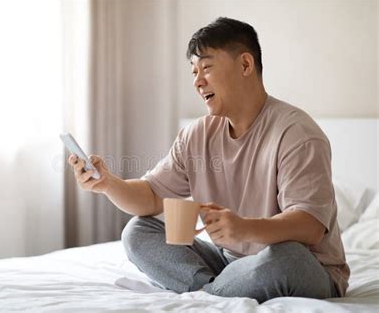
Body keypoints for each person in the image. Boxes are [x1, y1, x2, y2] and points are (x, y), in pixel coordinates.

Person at [67, 17, 349, 303]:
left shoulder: (296, 132)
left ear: (245, 65)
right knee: (138, 231)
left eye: (206, 68)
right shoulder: (197, 134)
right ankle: (212, 290)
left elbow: (309, 227)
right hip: (230, 263)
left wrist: (243, 227)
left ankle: (210, 295)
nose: (197, 81)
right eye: (193, 72)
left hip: (306, 266)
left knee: (288, 257)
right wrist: (107, 184)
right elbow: (151, 196)